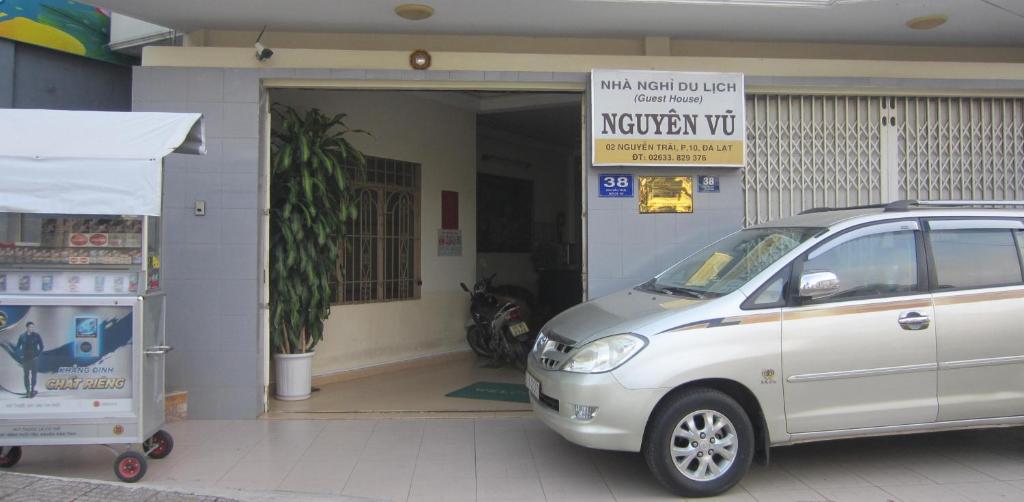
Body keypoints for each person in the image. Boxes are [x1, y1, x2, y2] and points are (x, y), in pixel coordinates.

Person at [16, 322, 43, 398]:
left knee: (34, 375)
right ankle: (27, 391)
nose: (32, 328)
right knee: (26, 375)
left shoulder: (37, 335)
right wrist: (20, 355)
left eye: (32, 327)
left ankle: (32, 389)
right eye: (30, 327)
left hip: (34, 359)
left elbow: (41, 347)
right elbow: (17, 347)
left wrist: (37, 355)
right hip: (25, 359)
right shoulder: (22, 336)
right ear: (27, 327)